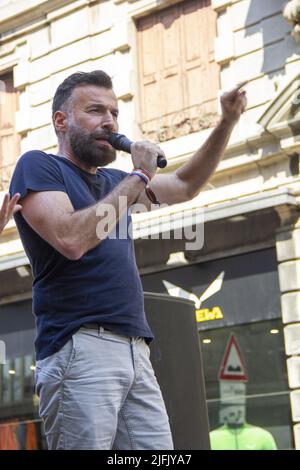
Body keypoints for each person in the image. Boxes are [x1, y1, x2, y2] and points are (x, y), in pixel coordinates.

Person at [9, 70, 247, 450]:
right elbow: (71, 239)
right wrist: (138, 174)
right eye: (95, 110)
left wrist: (227, 121)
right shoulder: (39, 166)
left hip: (136, 348)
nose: (110, 121)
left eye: (115, 113)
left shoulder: (114, 181)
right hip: (80, 344)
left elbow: (185, 185)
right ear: (61, 121)